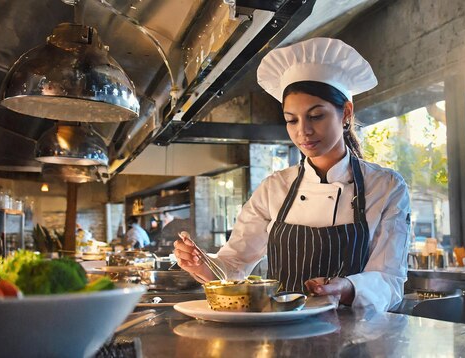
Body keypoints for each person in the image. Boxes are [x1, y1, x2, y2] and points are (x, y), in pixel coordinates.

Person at [174, 37, 410, 312]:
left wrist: (347, 288)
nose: (303, 131)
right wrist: (202, 263)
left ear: (345, 113)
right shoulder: (274, 188)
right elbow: (234, 266)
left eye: (316, 116)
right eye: (291, 120)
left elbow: (390, 283)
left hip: (356, 337)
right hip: (282, 334)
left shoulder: (386, 186)